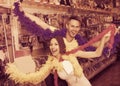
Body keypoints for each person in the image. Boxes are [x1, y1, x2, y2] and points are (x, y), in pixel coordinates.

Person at [12, 2, 116, 86]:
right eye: (72, 26)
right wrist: (23, 13)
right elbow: (41, 23)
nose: (74, 29)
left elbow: (95, 47)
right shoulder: (58, 35)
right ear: (67, 26)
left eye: (77, 27)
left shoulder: (76, 45)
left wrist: (108, 37)